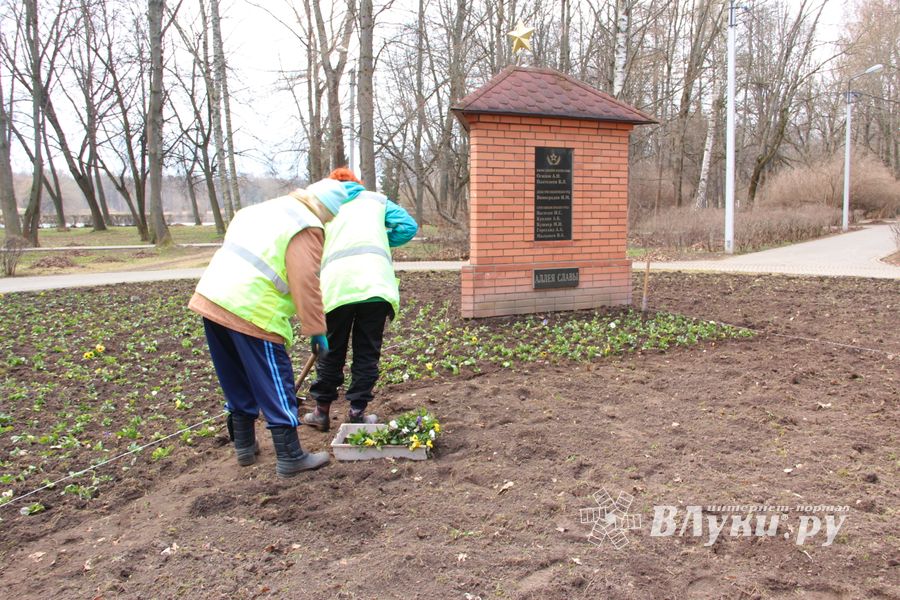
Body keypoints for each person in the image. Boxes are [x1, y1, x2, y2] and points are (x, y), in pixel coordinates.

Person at [188, 177, 363, 478]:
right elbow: (305, 281)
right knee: (275, 380)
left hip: (212, 297)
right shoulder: (306, 225)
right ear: (326, 210)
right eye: (330, 217)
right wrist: (316, 329)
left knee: (235, 376)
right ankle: (290, 455)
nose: (327, 223)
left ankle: (244, 446)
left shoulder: (262, 209)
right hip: (254, 309)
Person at [302, 168, 418, 431]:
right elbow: (408, 226)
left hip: (337, 287)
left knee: (331, 349)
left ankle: (321, 412)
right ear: (357, 184)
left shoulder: (322, 205)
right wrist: (382, 239)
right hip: (375, 286)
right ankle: (357, 412)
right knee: (367, 350)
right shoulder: (375, 200)